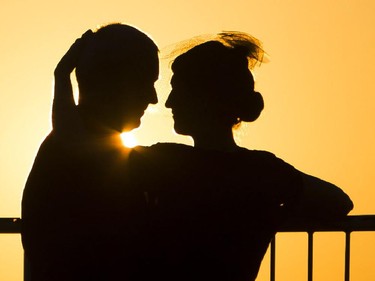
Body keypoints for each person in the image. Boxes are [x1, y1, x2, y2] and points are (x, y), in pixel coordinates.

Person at [35, 30, 353, 281]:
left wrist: (62, 78)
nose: (169, 102)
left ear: (204, 100)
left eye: (178, 89)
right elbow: (338, 202)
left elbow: (73, 141)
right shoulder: (265, 173)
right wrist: (269, 213)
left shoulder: (162, 163)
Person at [21, 23, 159, 281]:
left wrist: (61, 79)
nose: (153, 99)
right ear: (114, 82)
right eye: (145, 82)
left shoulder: (70, 148)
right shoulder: (79, 155)